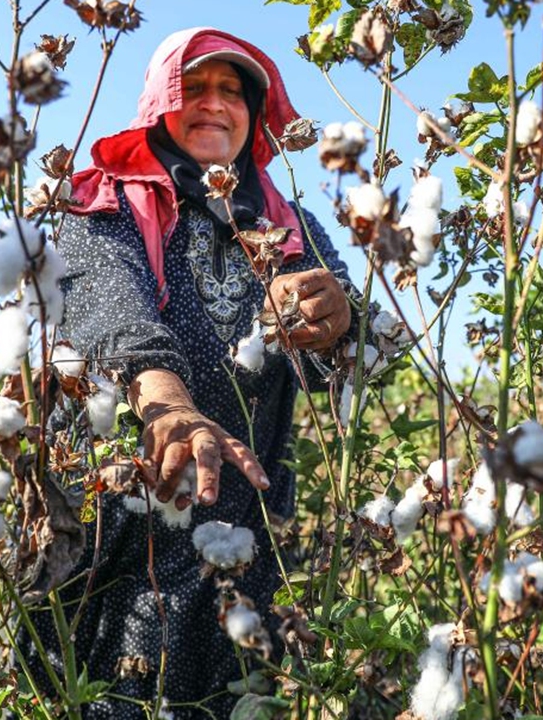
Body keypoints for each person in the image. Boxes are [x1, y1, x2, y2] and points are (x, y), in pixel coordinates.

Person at [24, 27, 356, 718]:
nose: (214, 105)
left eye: (232, 92)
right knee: (103, 691)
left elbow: (341, 362)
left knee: (218, 694)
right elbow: (112, 313)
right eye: (194, 87)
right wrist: (169, 407)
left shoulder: (292, 224)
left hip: (243, 526)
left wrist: (339, 317)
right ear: (160, 103)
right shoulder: (105, 202)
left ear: (254, 114)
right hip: (118, 525)